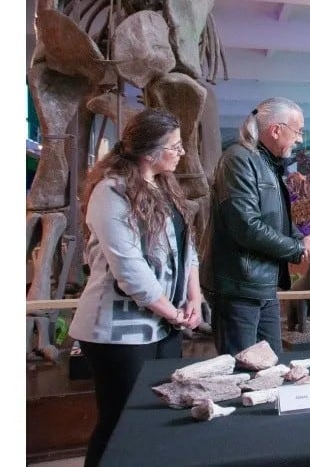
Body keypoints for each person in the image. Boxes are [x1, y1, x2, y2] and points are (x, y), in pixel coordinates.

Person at [69, 108, 202, 467]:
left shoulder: (166, 186)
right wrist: (173, 312)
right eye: (174, 146)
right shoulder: (110, 192)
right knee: (119, 423)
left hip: (165, 326)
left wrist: (195, 298)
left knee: (158, 418)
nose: (181, 152)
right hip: (117, 334)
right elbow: (130, 269)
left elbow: (187, 249)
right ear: (149, 152)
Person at [204, 97, 310, 355]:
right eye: (298, 131)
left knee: (272, 366)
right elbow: (246, 226)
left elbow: (276, 219)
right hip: (238, 288)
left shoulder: (267, 164)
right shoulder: (238, 159)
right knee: (241, 371)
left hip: (261, 286)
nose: (300, 139)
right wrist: (296, 247)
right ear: (276, 129)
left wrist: (303, 239)